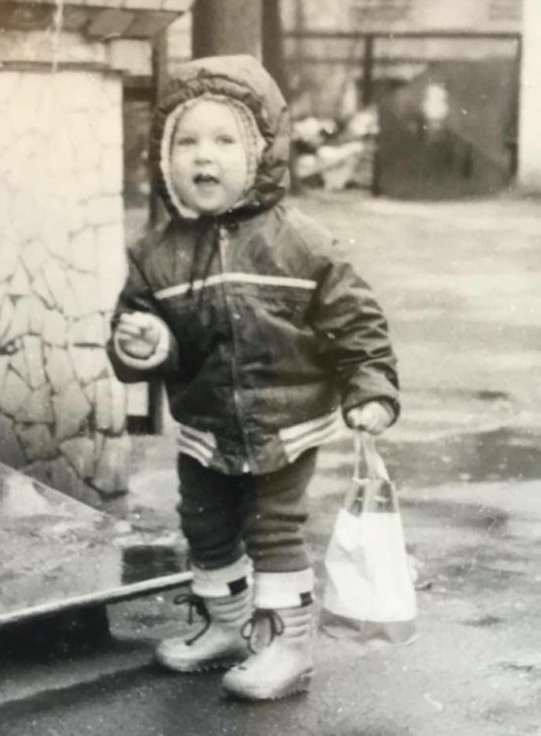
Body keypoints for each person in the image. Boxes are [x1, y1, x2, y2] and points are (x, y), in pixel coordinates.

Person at [107, 55, 399, 702]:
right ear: (163, 156)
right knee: (205, 523)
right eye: (185, 141)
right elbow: (138, 333)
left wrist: (370, 387)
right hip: (206, 424)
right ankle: (227, 624)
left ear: (261, 153)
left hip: (286, 422)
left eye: (222, 140)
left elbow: (357, 323)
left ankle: (287, 643)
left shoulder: (302, 244)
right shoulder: (156, 255)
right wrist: (143, 343)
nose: (201, 156)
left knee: (272, 527)